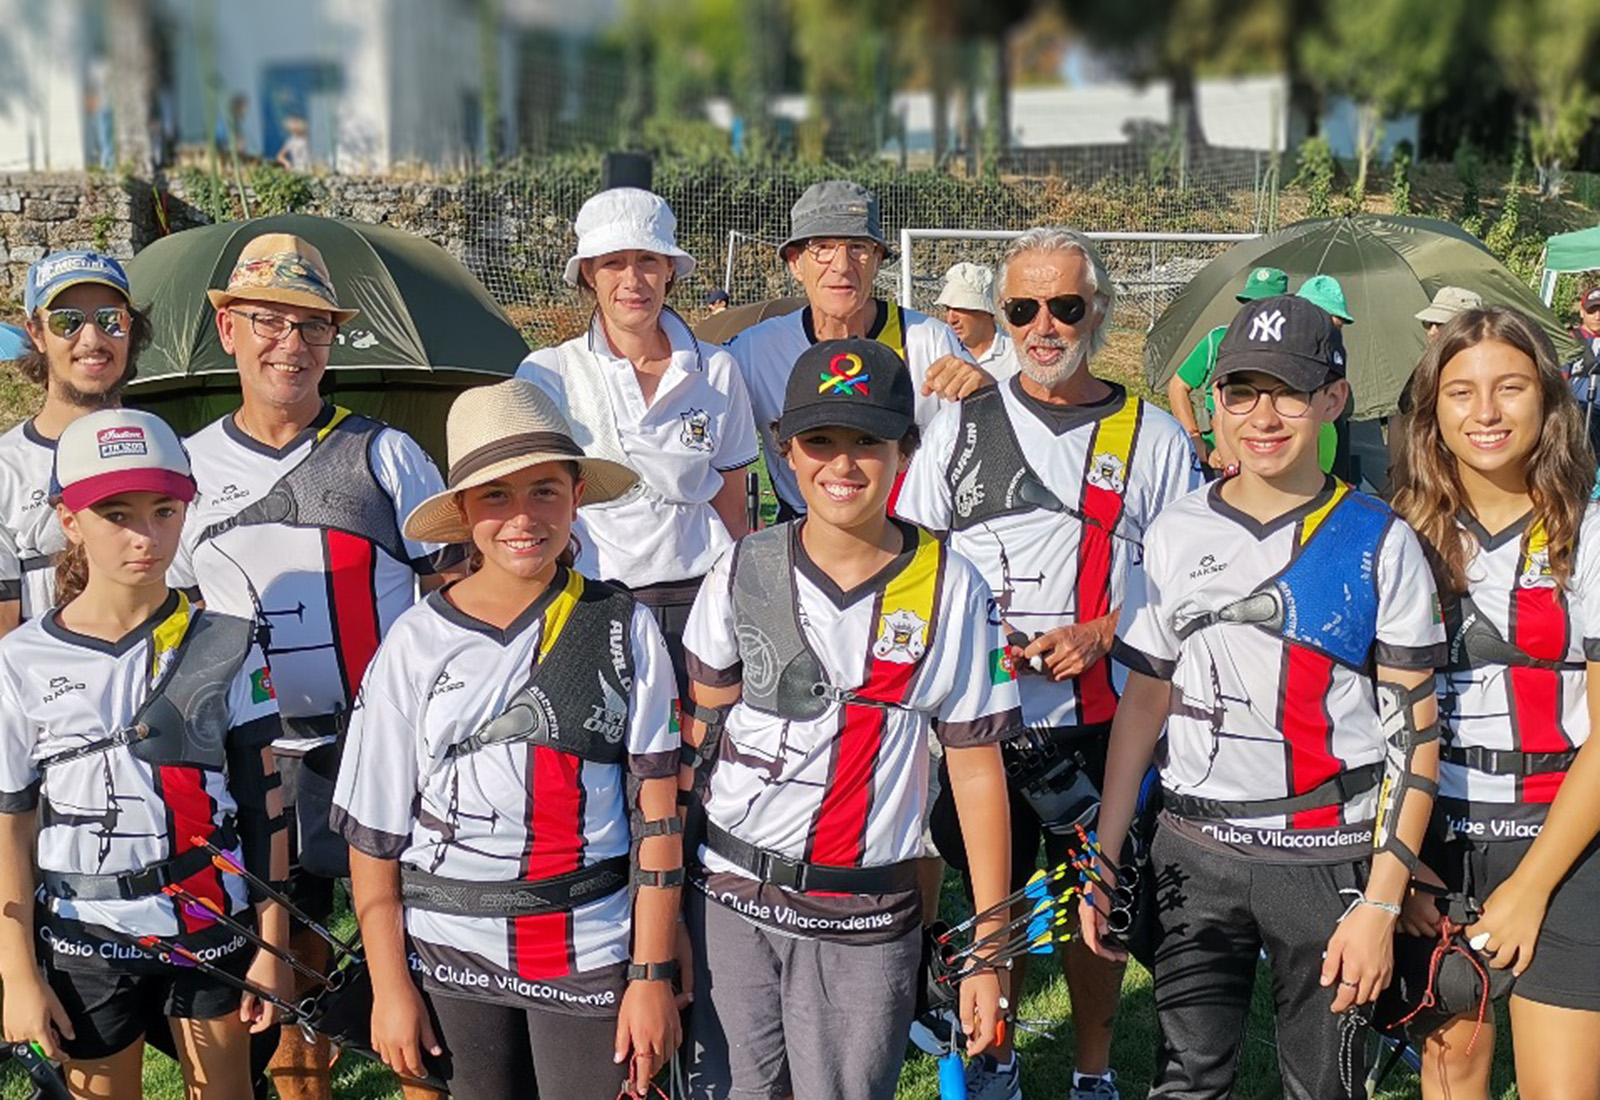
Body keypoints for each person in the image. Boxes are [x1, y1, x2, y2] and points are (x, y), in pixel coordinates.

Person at [1086, 294, 1445, 1099]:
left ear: (1333, 399)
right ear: (1213, 403)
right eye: (1240, 391)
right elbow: (1144, 702)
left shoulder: (1380, 539)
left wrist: (1383, 903)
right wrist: (1106, 856)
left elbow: (1416, 739)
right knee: (1186, 1080)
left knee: (1324, 1087)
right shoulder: (1176, 530)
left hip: (1327, 858)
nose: (1263, 415)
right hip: (1193, 851)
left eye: (1289, 390)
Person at [898, 227, 1200, 1100]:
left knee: (1089, 904)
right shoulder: (959, 418)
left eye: (1065, 306)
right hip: (981, 726)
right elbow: (915, 559)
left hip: (1105, 720)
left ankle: (1092, 1073)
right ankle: (994, 1064)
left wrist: (1103, 632)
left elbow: (1189, 587)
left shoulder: (1153, 437)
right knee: (997, 903)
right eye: (1023, 308)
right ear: (1002, 316)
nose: (1044, 325)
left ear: (1098, 312)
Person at [681, 338, 1019, 1100]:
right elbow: (699, 742)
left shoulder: (952, 587)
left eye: (867, 441)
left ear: (905, 450)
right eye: (820, 442)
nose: (842, 465)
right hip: (730, 899)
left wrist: (990, 948)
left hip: (863, 914)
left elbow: (973, 768)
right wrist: (665, 903)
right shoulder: (740, 567)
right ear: (785, 453)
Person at [169, 232, 462, 1100]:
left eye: (311, 327)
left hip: (374, 754)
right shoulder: (184, 466)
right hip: (252, 761)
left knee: (407, 947)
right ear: (228, 329)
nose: (289, 345)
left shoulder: (387, 454)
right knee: (284, 960)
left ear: (334, 341)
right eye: (267, 321)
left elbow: (452, 596)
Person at [335, 379, 684, 1100]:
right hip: (448, 950)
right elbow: (373, 834)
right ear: (462, 512)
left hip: (589, 946)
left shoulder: (623, 626)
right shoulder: (414, 641)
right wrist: (391, 986)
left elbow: (659, 816)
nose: (522, 517)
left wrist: (650, 973)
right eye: (495, 495)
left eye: (544, 490)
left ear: (578, 493)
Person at [0, 408, 289, 1099]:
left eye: (164, 510)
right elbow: (10, 823)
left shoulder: (229, 640)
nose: (145, 536)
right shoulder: (21, 661)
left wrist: (271, 944)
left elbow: (263, 805)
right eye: (116, 514)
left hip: (211, 924)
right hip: (84, 938)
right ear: (69, 521)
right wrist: (16, 972)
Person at [1390, 306, 1600, 1100]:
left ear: (1547, 400)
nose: (1485, 413)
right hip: (1434, 846)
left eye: (1510, 388)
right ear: (1431, 412)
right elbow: (1376, 726)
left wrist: (1531, 888)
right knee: (1450, 1081)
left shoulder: (1591, 536)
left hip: (1568, 847)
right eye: (1460, 392)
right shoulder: (1395, 538)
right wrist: (1398, 869)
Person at [516, 188, 758, 702]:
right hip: (590, 600)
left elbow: (732, 505)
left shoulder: (716, 369)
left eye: (647, 260)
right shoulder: (548, 372)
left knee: (699, 762)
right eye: (613, 263)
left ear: (670, 269)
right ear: (588, 274)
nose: (633, 281)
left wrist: (740, 604)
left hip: (700, 601)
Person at [725, 179, 993, 521]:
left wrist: (986, 391)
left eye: (857, 248)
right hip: (804, 536)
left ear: (878, 260)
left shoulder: (930, 339)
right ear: (795, 263)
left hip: (912, 535)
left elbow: (993, 435)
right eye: (822, 247)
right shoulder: (754, 349)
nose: (841, 265)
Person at [2, 251, 148, 637]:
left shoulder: (169, 452)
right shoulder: (5, 470)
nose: (92, 339)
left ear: (131, 329)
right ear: (35, 334)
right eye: (67, 322)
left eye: (110, 320)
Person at [1166, 266, 1287, 472]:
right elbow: (1178, 386)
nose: (1258, 313)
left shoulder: (1291, 347)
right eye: (1251, 304)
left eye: (1268, 306)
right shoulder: (1218, 339)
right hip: (1216, 457)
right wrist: (1194, 437)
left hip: (1267, 456)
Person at [1388, 286, 1485, 477]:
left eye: (1441, 324)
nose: (1432, 332)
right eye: (1428, 323)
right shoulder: (1425, 369)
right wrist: (1397, 472)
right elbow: (1402, 416)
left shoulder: (1494, 369)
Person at [1295, 275, 1352, 476]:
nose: (1334, 333)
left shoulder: (1334, 355)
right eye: (1329, 324)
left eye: (1338, 327)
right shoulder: (1281, 358)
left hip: (1330, 459)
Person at [936, 261, 1016, 379]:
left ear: (984, 311)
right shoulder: (939, 349)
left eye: (960, 308)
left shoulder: (1016, 356)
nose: (950, 319)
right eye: (948, 308)